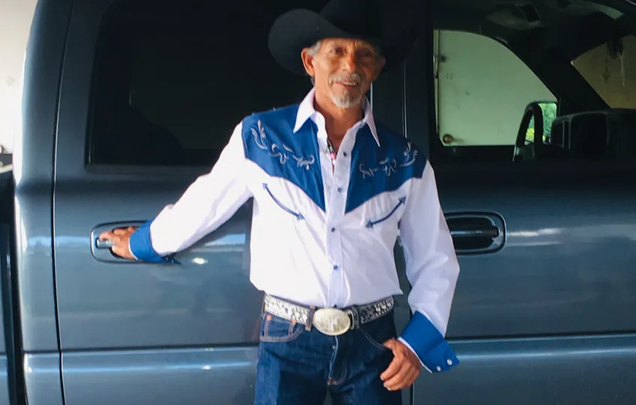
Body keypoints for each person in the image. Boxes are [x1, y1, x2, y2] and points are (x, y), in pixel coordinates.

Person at [99, 0, 461, 403]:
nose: (350, 65)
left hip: (374, 343)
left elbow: (436, 259)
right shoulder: (260, 139)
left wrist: (417, 343)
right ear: (310, 62)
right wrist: (143, 242)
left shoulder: (405, 161)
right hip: (288, 340)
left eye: (364, 54)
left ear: (376, 68)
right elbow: (204, 203)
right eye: (336, 51)